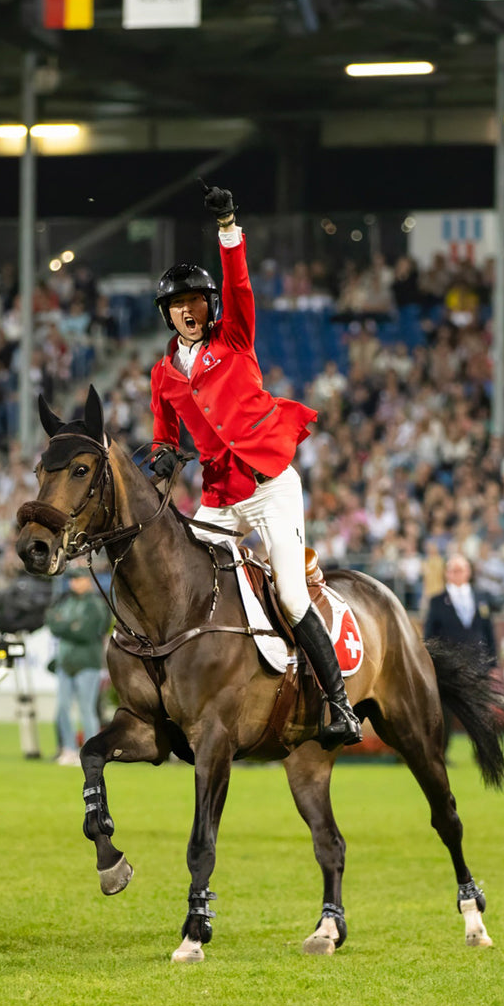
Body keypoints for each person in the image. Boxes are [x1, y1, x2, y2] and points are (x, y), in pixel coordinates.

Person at [148, 184, 361, 748]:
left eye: (195, 301)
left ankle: (339, 704)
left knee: (291, 595)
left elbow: (238, 282)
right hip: (218, 498)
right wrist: (162, 454)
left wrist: (228, 226)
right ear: (169, 315)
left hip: (270, 490)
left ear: (208, 306)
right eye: (178, 305)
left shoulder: (236, 337)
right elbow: (161, 435)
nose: (188, 310)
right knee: (182, 581)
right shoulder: (163, 374)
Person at [423, 553, 498, 754]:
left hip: (477, 665)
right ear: (447, 573)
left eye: (461, 570)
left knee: (480, 710)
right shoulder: (438, 601)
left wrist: (493, 665)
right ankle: (442, 753)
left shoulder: (481, 598)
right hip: (449, 667)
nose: (457, 574)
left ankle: (484, 753)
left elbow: (489, 632)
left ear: (469, 572)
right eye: (453, 570)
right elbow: (430, 635)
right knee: (445, 712)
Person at [46, 564, 110, 765]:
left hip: (87, 662)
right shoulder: (66, 601)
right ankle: (68, 749)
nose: (74, 583)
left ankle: (91, 752)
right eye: (72, 579)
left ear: (87, 581)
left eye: (78, 579)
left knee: (87, 709)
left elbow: (87, 632)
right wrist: (70, 625)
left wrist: (65, 625)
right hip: (66, 661)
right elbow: (52, 622)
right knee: (63, 708)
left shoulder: (96, 604)